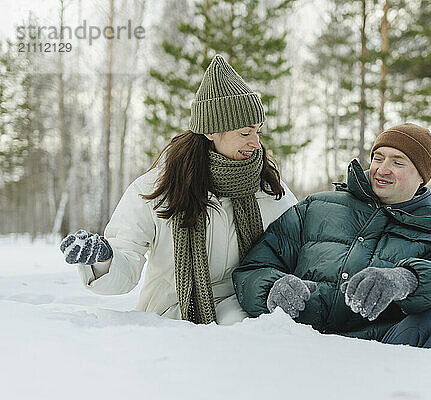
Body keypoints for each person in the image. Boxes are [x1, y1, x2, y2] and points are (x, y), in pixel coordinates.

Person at [59, 55, 297, 325]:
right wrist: (103, 258)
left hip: (244, 317)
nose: (256, 142)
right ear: (210, 132)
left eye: (258, 132)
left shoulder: (267, 188)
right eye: (245, 133)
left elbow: (298, 249)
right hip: (170, 320)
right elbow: (126, 260)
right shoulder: (157, 189)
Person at [233, 123, 431, 352]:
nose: (382, 169)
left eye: (398, 162)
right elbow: (256, 267)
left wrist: (406, 280)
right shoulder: (315, 208)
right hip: (302, 344)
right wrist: (272, 288)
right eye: (378, 158)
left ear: (422, 177)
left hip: (377, 354)